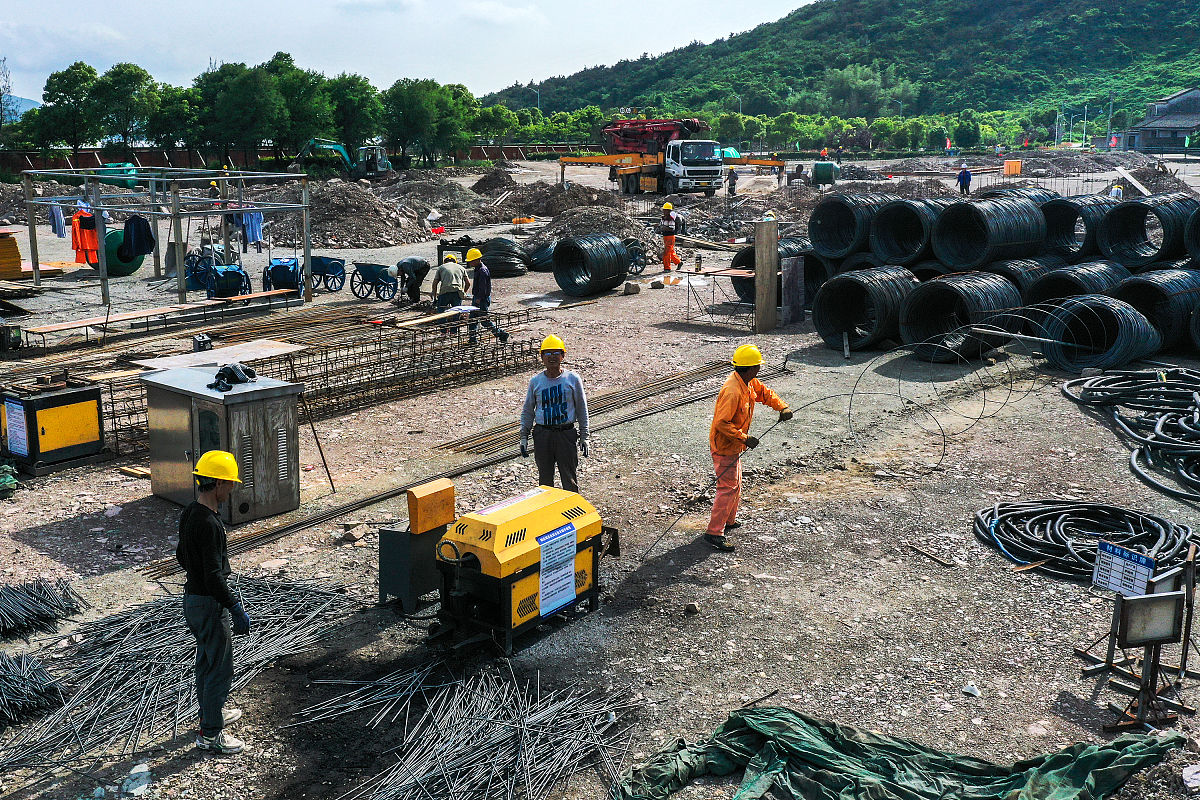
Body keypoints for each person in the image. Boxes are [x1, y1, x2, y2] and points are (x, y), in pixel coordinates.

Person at [177, 450, 250, 755]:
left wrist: (197, 574)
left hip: (192, 599)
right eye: (230, 483)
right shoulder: (209, 524)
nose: (232, 489)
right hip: (208, 604)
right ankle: (211, 735)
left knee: (206, 662)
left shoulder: (191, 511)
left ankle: (210, 714)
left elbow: (182, 556)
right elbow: (213, 577)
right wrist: (234, 607)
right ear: (218, 483)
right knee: (219, 668)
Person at [705, 345, 791, 553]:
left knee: (736, 483)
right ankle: (714, 532)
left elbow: (764, 393)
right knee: (727, 488)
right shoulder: (732, 391)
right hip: (725, 447)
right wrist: (744, 438)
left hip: (734, 445)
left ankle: (729, 520)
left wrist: (782, 406)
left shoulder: (747, 382)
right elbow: (721, 424)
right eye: (758, 367)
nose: (759, 370)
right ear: (751, 368)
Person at [520, 335, 589, 493]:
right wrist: (524, 436)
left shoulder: (572, 379)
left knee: (569, 479)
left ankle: (572, 513)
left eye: (556, 353)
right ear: (542, 357)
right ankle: (548, 516)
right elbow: (528, 411)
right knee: (545, 483)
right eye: (548, 353)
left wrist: (585, 436)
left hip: (566, 434)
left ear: (563, 356)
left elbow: (581, 409)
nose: (552, 357)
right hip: (543, 435)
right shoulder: (535, 382)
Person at [466, 248, 509, 345]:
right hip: (477, 298)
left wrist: (478, 300)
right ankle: (472, 339)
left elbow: (483, 289)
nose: (469, 264)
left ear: (476, 260)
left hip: (481, 299)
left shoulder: (482, 271)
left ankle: (501, 334)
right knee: (472, 320)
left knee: (484, 321)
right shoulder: (478, 269)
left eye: (470, 261)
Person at [430, 253, 471, 335]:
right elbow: (468, 283)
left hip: (444, 292)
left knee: (441, 312)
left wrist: (434, 297)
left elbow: (434, 284)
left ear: (445, 261)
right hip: (457, 292)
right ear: (455, 261)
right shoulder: (461, 268)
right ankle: (453, 332)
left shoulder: (441, 267)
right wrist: (463, 293)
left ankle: (444, 332)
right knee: (456, 312)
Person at [659, 203, 682, 272]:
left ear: (669, 211)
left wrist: (664, 227)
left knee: (666, 252)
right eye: (664, 210)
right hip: (665, 236)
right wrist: (660, 227)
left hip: (670, 237)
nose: (664, 212)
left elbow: (672, 228)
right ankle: (679, 262)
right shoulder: (663, 218)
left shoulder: (671, 219)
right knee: (670, 251)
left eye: (666, 210)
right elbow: (661, 225)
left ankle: (667, 268)